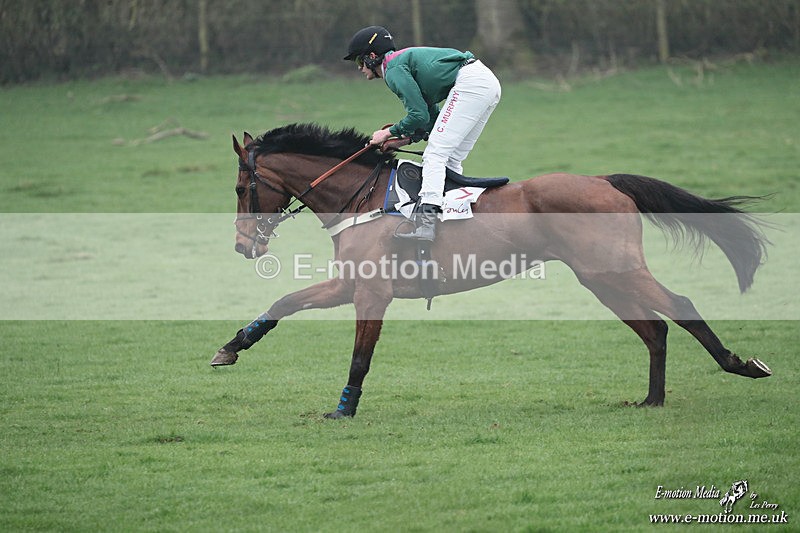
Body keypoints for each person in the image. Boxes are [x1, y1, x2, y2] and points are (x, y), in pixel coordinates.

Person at [344, 26, 502, 241]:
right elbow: (430, 120)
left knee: (435, 155)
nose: (360, 69)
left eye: (358, 62)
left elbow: (418, 115)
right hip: (485, 83)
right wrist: (402, 140)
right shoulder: (400, 64)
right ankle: (451, 216)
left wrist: (387, 133)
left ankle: (426, 224)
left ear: (372, 57)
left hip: (471, 84)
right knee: (450, 157)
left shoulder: (393, 70)